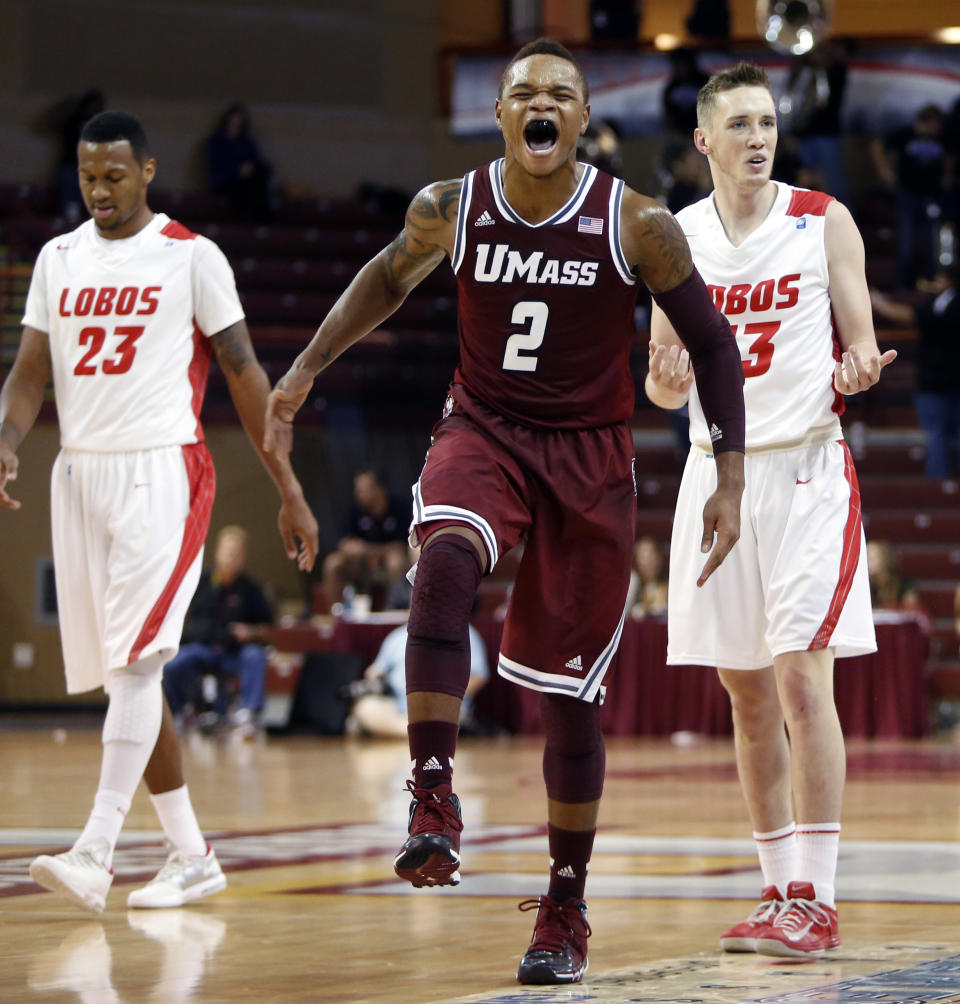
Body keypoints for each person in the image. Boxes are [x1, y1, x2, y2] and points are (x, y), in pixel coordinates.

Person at [263, 37, 746, 984]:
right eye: (523, 91)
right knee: (441, 562)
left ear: (581, 117)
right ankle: (433, 797)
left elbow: (716, 350)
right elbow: (384, 278)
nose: (541, 104)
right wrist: (305, 370)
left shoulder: (637, 223)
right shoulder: (451, 208)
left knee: (569, 704)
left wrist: (727, 472)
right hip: (483, 428)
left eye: (560, 94)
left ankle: (564, 908)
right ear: (499, 114)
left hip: (589, 460)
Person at [0, 111, 317, 914]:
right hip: (78, 475)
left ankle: (96, 852)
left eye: (113, 175)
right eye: (86, 176)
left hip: (163, 471)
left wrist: (288, 487)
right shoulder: (57, 257)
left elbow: (246, 376)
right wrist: (6, 438)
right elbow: (29, 372)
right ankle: (190, 855)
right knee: (125, 680)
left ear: (146, 171)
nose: (98, 190)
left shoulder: (192, 256)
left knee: (139, 667)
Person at [646, 62, 897, 960]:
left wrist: (859, 367)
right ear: (704, 141)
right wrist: (667, 382)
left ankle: (819, 899)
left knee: (800, 679)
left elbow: (860, 345)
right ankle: (776, 886)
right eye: (741, 125)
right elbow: (660, 382)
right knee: (746, 695)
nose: (760, 138)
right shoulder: (672, 235)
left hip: (804, 474)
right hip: (717, 480)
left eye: (769, 122)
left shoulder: (823, 219)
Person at [162, 525, 274, 736]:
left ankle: (249, 714)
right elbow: (188, 620)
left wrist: (250, 632)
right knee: (174, 663)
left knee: (255, 656)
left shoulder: (251, 589)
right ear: (217, 553)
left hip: (235, 652)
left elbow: (269, 628)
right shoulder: (202, 582)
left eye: (237, 553)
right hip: (204, 649)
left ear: (243, 558)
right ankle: (176, 711)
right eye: (228, 552)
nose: (232, 558)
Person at [870, 267, 960, 478]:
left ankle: (939, 486)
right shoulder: (937, 303)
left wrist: (879, 303)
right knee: (941, 434)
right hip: (939, 380)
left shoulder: (946, 306)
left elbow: (912, 316)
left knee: (937, 434)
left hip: (939, 380)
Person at [347, 609, 490, 740]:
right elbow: (374, 672)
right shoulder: (397, 636)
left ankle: (419, 734)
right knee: (365, 708)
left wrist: (446, 696)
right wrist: (377, 680)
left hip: (443, 706)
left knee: (446, 714)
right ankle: (419, 734)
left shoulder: (464, 633)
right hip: (400, 706)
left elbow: (478, 677)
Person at [871, 104, 951, 289]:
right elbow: (877, 145)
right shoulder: (905, 134)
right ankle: (902, 284)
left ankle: (931, 281)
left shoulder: (940, 138)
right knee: (905, 241)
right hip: (907, 194)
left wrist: (947, 174)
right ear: (927, 121)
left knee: (932, 241)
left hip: (932, 195)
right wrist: (885, 170)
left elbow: (949, 156)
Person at [319, 467, 410, 612]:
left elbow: (402, 546)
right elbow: (344, 543)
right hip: (361, 564)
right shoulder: (356, 511)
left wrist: (367, 549)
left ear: (379, 489)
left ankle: (396, 611)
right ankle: (337, 614)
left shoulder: (400, 508)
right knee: (333, 563)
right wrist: (356, 550)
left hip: (391, 563)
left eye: (362, 489)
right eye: (357, 489)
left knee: (395, 561)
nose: (358, 494)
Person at [205, 102, 274, 222]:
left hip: (248, 179)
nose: (235, 126)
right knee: (245, 190)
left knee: (259, 178)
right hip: (226, 180)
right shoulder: (216, 141)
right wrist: (237, 170)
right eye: (232, 123)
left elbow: (255, 159)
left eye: (238, 124)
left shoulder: (246, 141)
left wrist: (248, 168)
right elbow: (216, 164)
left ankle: (263, 220)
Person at [865, 540, 922, 612]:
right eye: (866, 557)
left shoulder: (903, 584)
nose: (868, 562)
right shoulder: (864, 586)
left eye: (871, 558)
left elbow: (912, 612)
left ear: (885, 558)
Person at [624, 535, 669, 619]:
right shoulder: (633, 583)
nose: (650, 562)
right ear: (637, 561)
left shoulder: (669, 585)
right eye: (644, 557)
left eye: (653, 556)